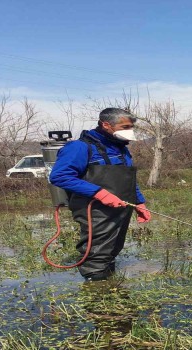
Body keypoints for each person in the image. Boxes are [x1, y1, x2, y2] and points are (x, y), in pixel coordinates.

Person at [50, 108, 151, 281]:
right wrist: (100, 194)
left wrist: (139, 202)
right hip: (95, 209)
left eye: (131, 126)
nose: (129, 130)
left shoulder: (121, 149)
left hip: (122, 207)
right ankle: (96, 292)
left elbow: (129, 179)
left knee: (113, 248)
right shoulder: (80, 147)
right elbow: (59, 176)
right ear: (106, 125)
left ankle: (110, 287)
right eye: (125, 126)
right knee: (97, 252)